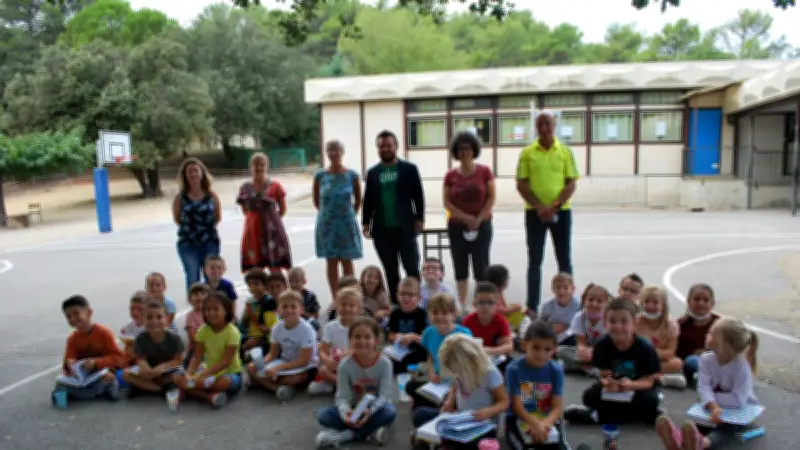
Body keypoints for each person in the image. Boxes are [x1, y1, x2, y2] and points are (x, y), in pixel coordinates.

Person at [656, 318, 759, 450]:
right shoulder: (706, 359)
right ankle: (680, 440)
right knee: (696, 422)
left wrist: (711, 401)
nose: (707, 335)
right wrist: (713, 407)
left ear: (723, 345)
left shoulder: (741, 368)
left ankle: (703, 443)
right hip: (713, 406)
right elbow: (703, 387)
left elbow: (738, 399)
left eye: (711, 334)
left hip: (738, 410)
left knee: (725, 428)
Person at [515, 110, 579, 318]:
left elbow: (571, 183)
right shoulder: (527, 153)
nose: (544, 128)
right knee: (534, 260)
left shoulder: (565, 152)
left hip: (561, 212)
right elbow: (521, 183)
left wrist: (554, 206)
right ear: (536, 127)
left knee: (564, 259)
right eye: (540, 124)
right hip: (534, 214)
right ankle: (532, 306)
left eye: (548, 123)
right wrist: (539, 206)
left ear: (555, 125)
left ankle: (569, 303)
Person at [564, 297, 662, 426]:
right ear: (605, 323)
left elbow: (648, 381)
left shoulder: (645, 348)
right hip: (615, 390)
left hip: (637, 388)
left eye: (624, 321)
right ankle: (640, 416)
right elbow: (605, 374)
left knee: (650, 400)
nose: (618, 326)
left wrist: (631, 385)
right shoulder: (602, 345)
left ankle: (599, 416)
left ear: (634, 323)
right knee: (590, 396)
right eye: (612, 321)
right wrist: (609, 383)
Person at [410, 334, 508, 450]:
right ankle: (440, 442)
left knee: (472, 444)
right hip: (460, 417)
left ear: (472, 360)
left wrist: (488, 411)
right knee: (419, 414)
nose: (457, 373)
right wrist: (449, 401)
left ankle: (444, 443)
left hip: (483, 423)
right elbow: (455, 384)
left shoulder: (490, 373)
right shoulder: (460, 368)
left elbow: (505, 402)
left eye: (458, 370)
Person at [362, 130, 425, 305]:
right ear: (378, 148)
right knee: (391, 271)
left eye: (389, 145)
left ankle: (416, 304)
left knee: (411, 268)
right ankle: (397, 305)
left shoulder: (409, 169)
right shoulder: (373, 172)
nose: (385, 149)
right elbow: (368, 199)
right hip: (382, 230)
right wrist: (366, 222)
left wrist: (420, 218)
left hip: (405, 228)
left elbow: (418, 196)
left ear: (396, 146)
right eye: (382, 146)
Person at [315, 317, 397, 447]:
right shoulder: (345, 364)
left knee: (390, 411)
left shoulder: (385, 363)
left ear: (376, 340)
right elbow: (342, 396)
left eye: (367, 337)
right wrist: (346, 414)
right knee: (323, 415)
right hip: (353, 408)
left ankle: (347, 435)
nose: (362, 341)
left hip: (375, 409)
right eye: (357, 337)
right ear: (350, 340)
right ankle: (371, 431)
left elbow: (384, 396)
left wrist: (370, 412)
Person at [443, 131, 496, 309]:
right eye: (460, 149)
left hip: (482, 225)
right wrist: (466, 218)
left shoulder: (485, 172)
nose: (464, 152)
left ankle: (481, 304)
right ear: (456, 152)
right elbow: (447, 202)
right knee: (460, 267)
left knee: (481, 267)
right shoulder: (450, 175)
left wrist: (478, 219)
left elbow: (491, 198)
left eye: (467, 148)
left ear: (474, 150)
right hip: (457, 226)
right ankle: (463, 306)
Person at [505, 321, 570, 450]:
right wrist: (534, 423)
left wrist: (544, 425)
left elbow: (557, 408)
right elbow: (517, 407)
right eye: (536, 347)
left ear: (554, 349)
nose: (541, 354)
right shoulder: (513, 369)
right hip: (519, 417)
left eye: (547, 349)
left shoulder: (556, 370)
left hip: (546, 418)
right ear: (524, 345)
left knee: (559, 446)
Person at [172, 292, 242, 409]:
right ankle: (209, 396)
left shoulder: (233, 332)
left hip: (229, 373)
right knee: (176, 376)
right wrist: (189, 374)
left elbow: (225, 363)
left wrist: (201, 375)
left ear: (226, 311)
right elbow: (197, 357)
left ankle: (189, 390)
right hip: (207, 372)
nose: (211, 313)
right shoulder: (202, 330)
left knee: (223, 383)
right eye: (208, 310)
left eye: (216, 309)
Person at [248, 290, 319, 402]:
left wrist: (278, 368)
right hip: (285, 361)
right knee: (252, 368)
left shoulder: (307, 330)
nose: (289, 310)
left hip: (307, 366)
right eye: (284, 307)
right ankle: (276, 388)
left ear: (301, 310)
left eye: (293, 307)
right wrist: (261, 363)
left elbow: (304, 360)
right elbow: (273, 354)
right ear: (278, 310)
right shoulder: (276, 328)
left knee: (290, 379)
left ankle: (271, 385)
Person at [313, 140, 363, 297]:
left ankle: (350, 296)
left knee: (347, 261)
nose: (333, 153)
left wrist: (348, 214)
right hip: (327, 225)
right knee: (331, 261)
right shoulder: (320, 175)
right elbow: (317, 202)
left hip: (346, 224)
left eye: (336, 149)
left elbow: (358, 200)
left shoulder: (352, 175)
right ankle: (336, 298)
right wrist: (329, 215)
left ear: (342, 152)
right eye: (329, 150)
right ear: (326, 152)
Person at [404, 293, 472, 409]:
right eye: (435, 313)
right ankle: (433, 405)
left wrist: (448, 379)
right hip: (438, 382)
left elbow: (468, 364)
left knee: (439, 403)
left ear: (453, 314)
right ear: (429, 315)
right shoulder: (429, 332)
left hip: (457, 383)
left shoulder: (464, 334)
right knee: (410, 386)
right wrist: (431, 373)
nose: (440, 317)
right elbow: (430, 355)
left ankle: (437, 405)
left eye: (445, 313)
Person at [53, 295, 122, 403]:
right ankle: (94, 393)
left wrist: (96, 362)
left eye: (76, 314)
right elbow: (67, 363)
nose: (72, 319)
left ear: (89, 313)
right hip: (83, 377)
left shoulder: (104, 333)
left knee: (109, 378)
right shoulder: (72, 339)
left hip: (102, 373)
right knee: (60, 385)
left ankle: (94, 392)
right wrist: (70, 364)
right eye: (68, 316)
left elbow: (117, 357)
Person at [172, 157, 222, 293]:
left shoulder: (212, 195)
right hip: (188, 244)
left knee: (212, 277)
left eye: (196, 171)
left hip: (209, 242)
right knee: (192, 277)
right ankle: (196, 305)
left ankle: (212, 304)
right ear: (185, 175)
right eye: (190, 172)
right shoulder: (179, 197)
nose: (193, 174)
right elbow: (177, 219)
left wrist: (204, 229)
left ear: (202, 173)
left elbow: (217, 217)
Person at [237, 152, 292, 274]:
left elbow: (282, 209)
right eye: (256, 164)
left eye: (262, 164)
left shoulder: (275, 186)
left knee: (275, 267)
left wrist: (271, 220)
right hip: (252, 230)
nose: (259, 167)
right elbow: (245, 210)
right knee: (256, 270)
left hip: (273, 231)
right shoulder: (244, 188)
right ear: (250, 166)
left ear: (267, 166)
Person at [122, 302, 184, 398]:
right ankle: (159, 389)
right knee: (126, 374)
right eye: (149, 318)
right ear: (143, 320)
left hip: (167, 372)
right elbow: (140, 358)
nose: (154, 321)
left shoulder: (175, 338)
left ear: (166, 320)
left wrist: (162, 367)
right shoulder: (140, 338)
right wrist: (144, 366)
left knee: (179, 375)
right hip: (149, 371)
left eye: (159, 317)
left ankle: (147, 387)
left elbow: (178, 360)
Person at [309, 288, 363, 395]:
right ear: (337, 306)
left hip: (356, 362)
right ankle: (346, 386)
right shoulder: (331, 326)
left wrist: (347, 355)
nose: (347, 308)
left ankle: (337, 385)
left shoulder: (362, 326)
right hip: (336, 363)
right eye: (343, 305)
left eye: (351, 305)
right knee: (322, 371)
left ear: (358, 309)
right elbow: (322, 350)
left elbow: (364, 348)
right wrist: (327, 360)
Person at [636, 285, 686, 390]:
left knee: (677, 363)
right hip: (639, 359)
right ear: (641, 303)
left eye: (655, 302)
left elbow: (670, 352)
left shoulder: (671, 325)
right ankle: (658, 378)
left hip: (658, 360)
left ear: (663, 304)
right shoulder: (636, 322)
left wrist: (650, 352)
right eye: (647, 301)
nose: (650, 306)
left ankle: (647, 376)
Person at [556, 283, 610, 375]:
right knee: (560, 350)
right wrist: (582, 350)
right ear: (584, 301)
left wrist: (593, 351)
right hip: (584, 354)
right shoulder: (579, 317)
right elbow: (580, 341)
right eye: (591, 300)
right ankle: (587, 368)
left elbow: (609, 343)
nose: (594, 304)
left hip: (601, 352)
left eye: (599, 301)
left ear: (606, 303)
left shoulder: (609, 319)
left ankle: (579, 366)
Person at [462, 282, 513, 374]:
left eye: (490, 302)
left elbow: (509, 346)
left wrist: (488, 350)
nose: (486, 306)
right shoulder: (468, 321)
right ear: (474, 304)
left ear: (497, 304)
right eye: (481, 302)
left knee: (512, 365)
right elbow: (462, 343)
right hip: (474, 358)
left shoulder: (501, 321)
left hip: (496, 358)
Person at [676, 283, 720, 386]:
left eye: (706, 300)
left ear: (712, 303)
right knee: (693, 361)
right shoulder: (680, 324)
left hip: (714, 361)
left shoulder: (719, 323)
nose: (701, 303)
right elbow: (675, 350)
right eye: (696, 299)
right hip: (690, 363)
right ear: (688, 301)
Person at [386, 277, 429, 375]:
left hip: (416, 348)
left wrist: (412, 337)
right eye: (402, 294)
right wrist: (396, 337)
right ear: (397, 296)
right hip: (399, 349)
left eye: (410, 295)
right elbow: (390, 334)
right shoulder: (395, 313)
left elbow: (426, 339)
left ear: (419, 297)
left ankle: (411, 369)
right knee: (386, 356)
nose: (405, 298)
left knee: (423, 353)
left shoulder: (422, 314)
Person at [538, 273, 580, 345]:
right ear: (553, 289)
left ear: (573, 289)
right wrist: (550, 326)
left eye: (566, 287)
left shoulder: (579, 304)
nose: (561, 291)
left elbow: (582, 324)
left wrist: (566, 327)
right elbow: (539, 323)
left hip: (571, 336)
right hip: (552, 335)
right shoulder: (547, 304)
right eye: (558, 287)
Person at [240, 268, 272, 360]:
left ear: (265, 285)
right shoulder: (250, 301)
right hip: (250, 335)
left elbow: (268, 329)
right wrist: (246, 317)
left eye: (256, 284)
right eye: (250, 284)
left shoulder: (269, 302)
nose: (253, 287)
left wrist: (252, 316)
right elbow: (243, 325)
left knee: (260, 351)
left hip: (265, 337)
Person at [120, 291, 149, 363]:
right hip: (133, 359)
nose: (135, 312)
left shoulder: (152, 327)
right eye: (132, 308)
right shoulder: (128, 326)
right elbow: (126, 346)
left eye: (140, 309)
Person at [185, 283, 211, 365]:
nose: (199, 297)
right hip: (197, 349)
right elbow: (193, 337)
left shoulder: (212, 313)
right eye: (195, 294)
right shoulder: (191, 315)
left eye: (203, 294)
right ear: (190, 300)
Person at [289, 267, 321, 331]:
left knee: (315, 324)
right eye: (290, 281)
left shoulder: (310, 296)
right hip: (290, 320)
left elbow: (316, 315)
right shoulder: (287, 296)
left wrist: (303, 313)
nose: (293, 284)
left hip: (306, 321)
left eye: (296, 281)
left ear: (304, 281)